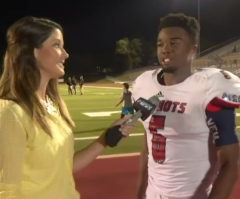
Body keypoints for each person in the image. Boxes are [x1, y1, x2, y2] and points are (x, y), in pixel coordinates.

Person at [0, 16, 135, 199]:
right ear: (31, 51)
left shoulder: (53, 105)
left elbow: (64, 166)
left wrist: (105, 139)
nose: (65, 54)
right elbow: (6, 191)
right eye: (56, 45)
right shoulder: (11, 113)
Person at [133, 13, 239, 199]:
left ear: (192, 50)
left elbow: (230, 162)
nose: (165, 49)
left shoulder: (209, 88)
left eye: (174, 43)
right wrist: (139, 194)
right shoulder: (144, 84)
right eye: (160, 44)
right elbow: (147, 149)